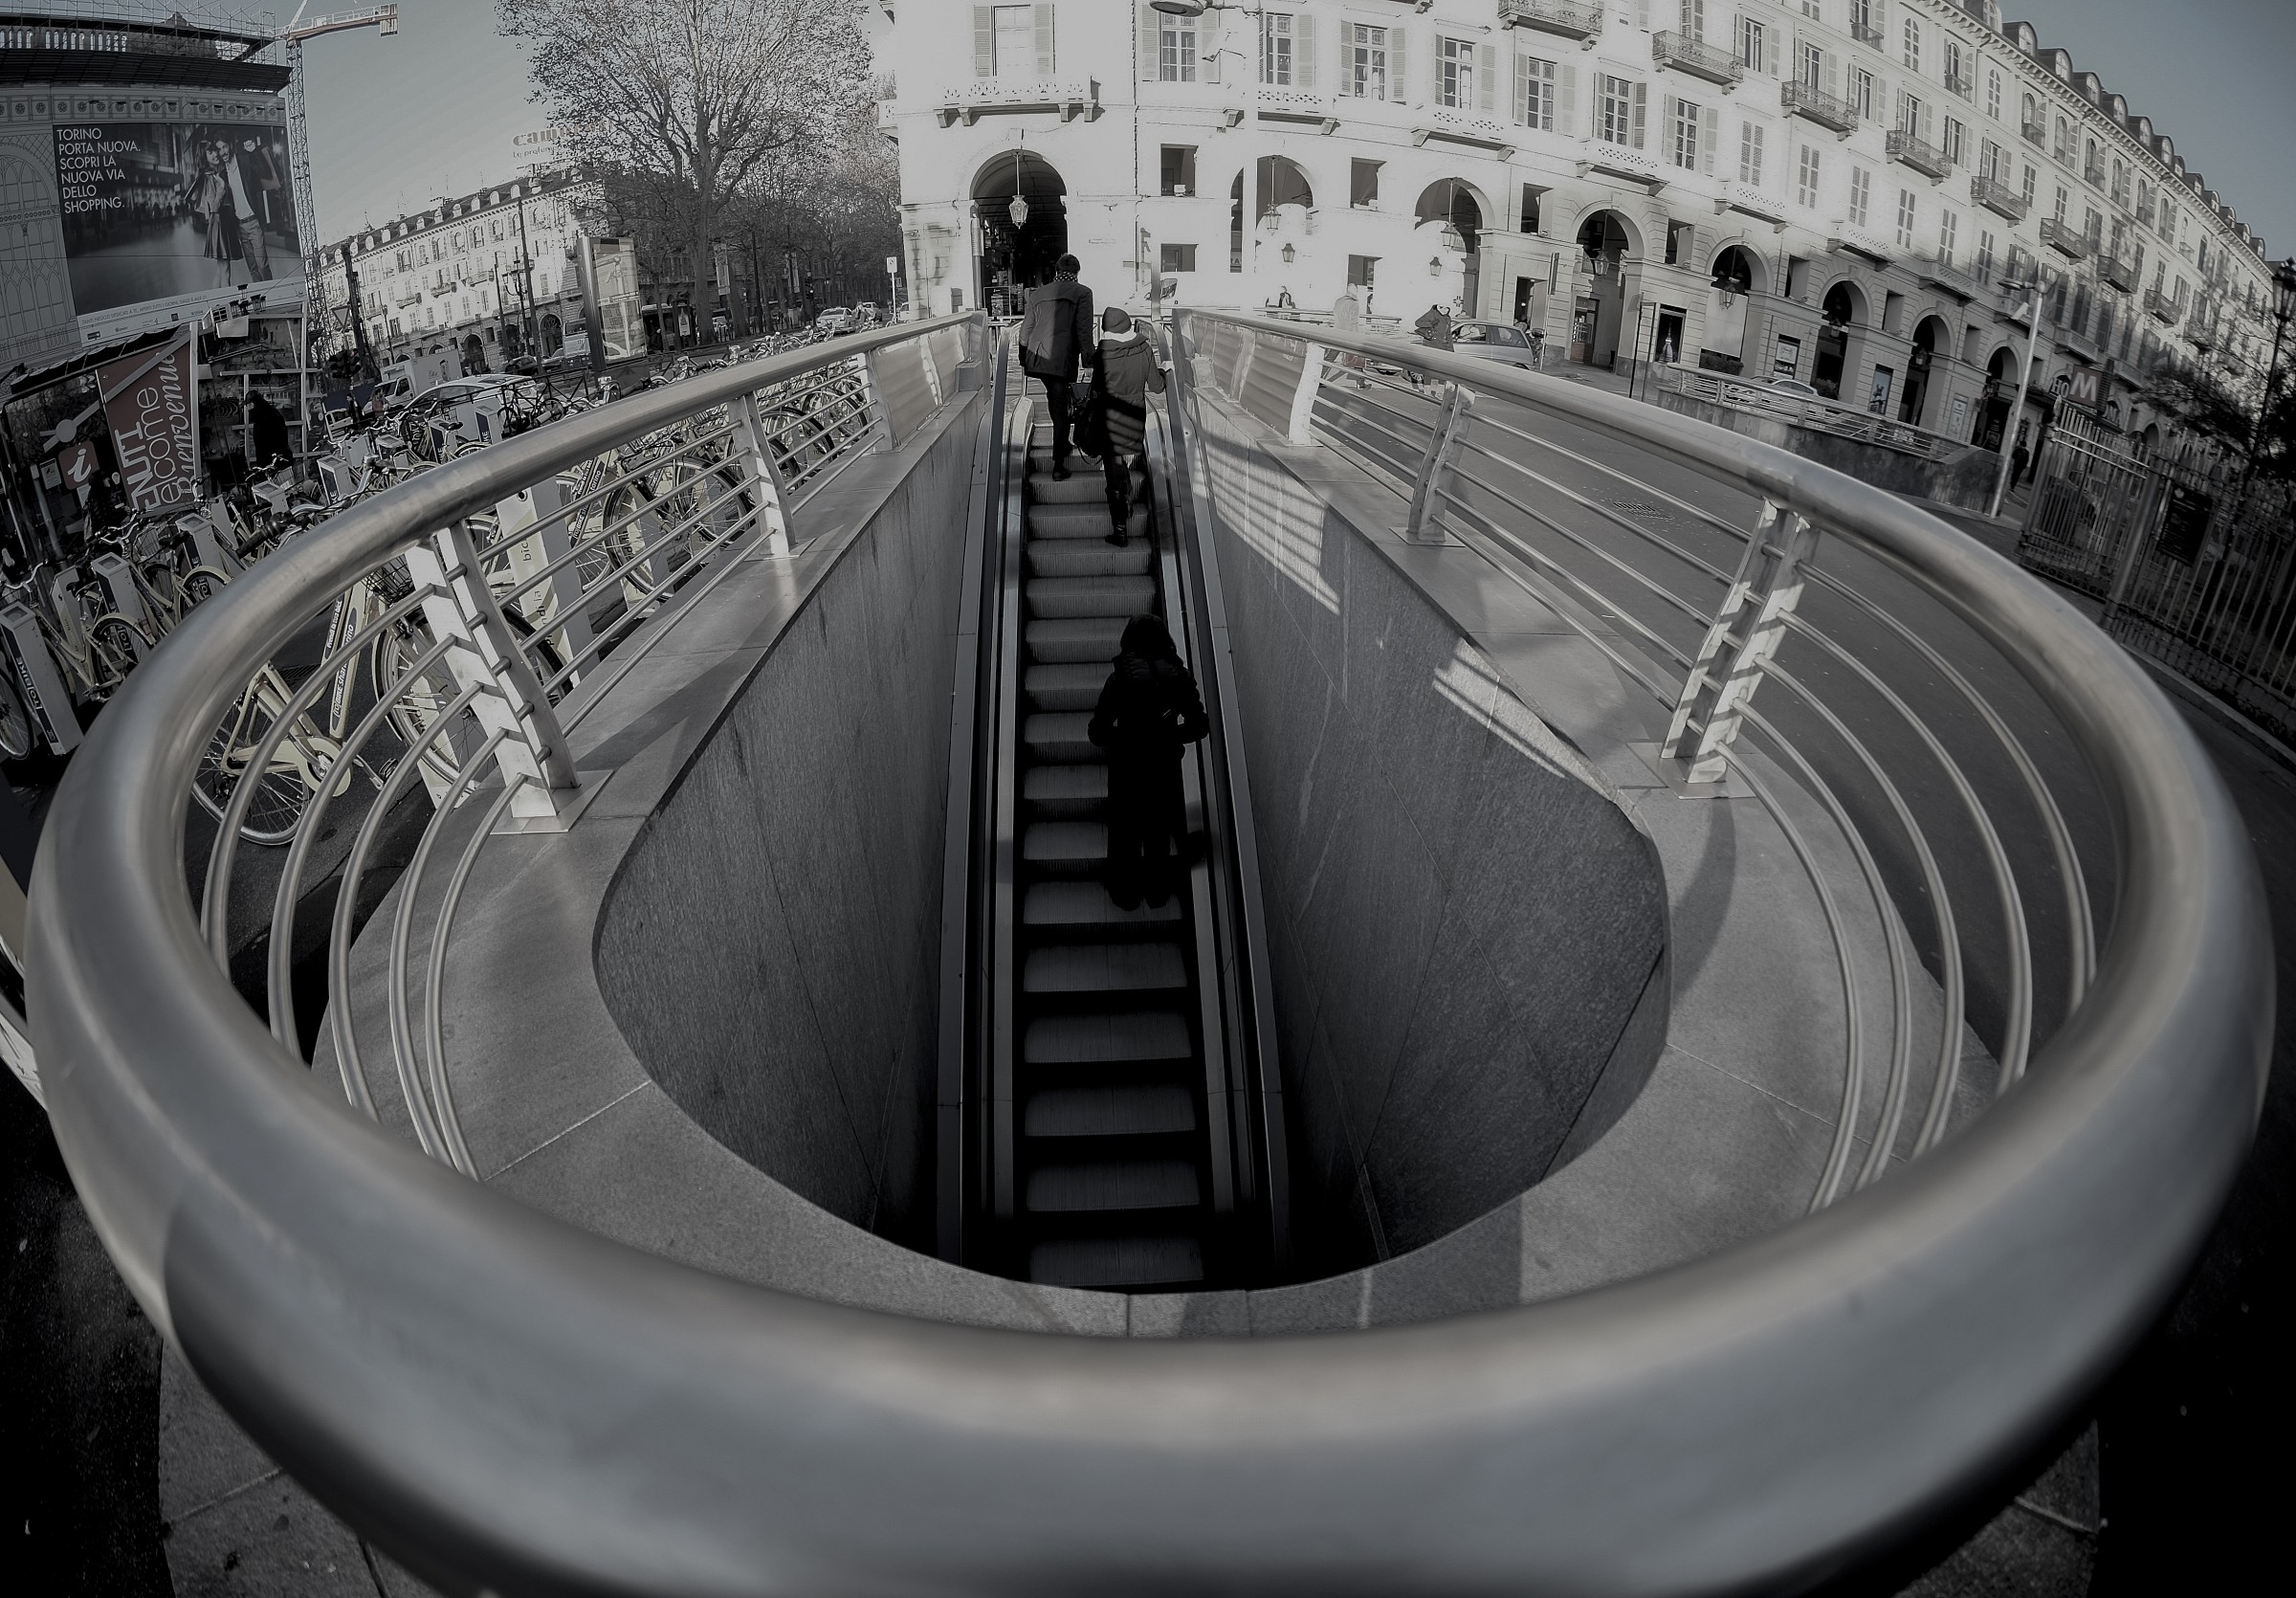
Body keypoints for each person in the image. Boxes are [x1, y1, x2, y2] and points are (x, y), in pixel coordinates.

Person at [1089, 613, 1209, 911]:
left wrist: (1125, 738)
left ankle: (1125, 895)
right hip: (1163, 768)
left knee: (1124, 834)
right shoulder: (1178, 678)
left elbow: (1098, 733)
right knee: (1158, 834)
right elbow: (1199, 726)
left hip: (1127, 770)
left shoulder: (1118, 680)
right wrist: (1169, 737)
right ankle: (1157, 894)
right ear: (1164, 640)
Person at [1082, 306, 1165, 547]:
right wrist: (1163, 372)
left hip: (1109, 422)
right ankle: (1125, 490)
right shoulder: (1144, 348)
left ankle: (1120, 532)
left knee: (1113, 477)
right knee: (1119, 467)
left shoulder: (1103, 355)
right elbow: (1157, 386)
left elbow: (1097, 389)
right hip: (1134, 417)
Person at [1020, 254, 1093, 479]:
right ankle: (1059, 465)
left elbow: (1026, 329)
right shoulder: (1083, 292)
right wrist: (1088, 362)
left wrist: (1024, 356)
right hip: (1061, 359)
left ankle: (1064, 443)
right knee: (1060, 407)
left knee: (1055, 399)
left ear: (1056, 270)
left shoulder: (1038, 293)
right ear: (1077, 272)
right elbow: (1084, 330)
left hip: (1037, 355)